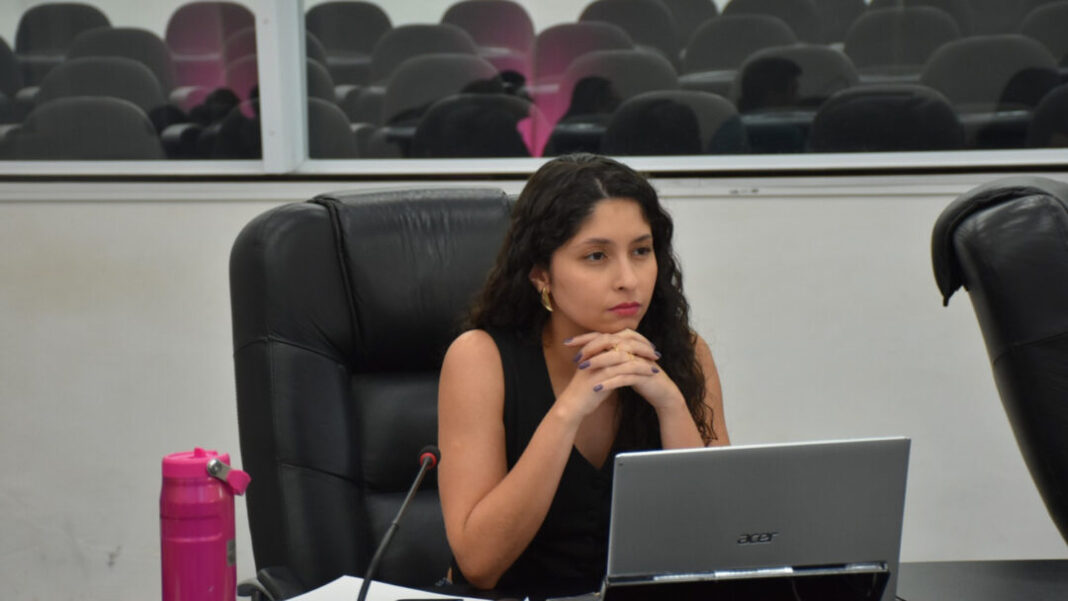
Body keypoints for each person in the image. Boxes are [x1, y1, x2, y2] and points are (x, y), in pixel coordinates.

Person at [437, 153, 729, 598]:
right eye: (596, 256)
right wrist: (568, 411)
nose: (628, 279)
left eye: (641, 251)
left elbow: (717, 544)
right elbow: (479, 565)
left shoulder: (685, 352)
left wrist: (670, 405)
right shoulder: (480, 358)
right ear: (541, 274)